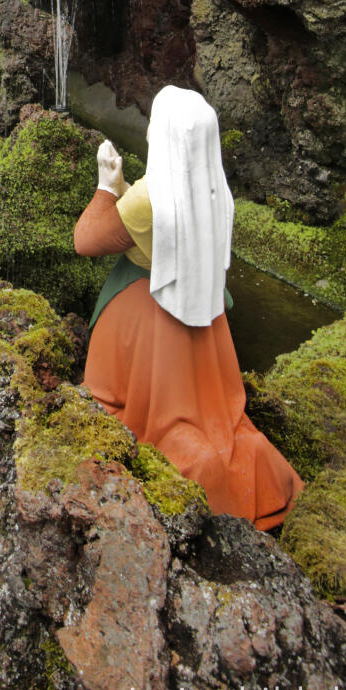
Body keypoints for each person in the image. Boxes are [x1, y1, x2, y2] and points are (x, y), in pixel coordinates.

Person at [73, 85, 303, 530]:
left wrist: (106, 187)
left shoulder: (150, 199)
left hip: (150, 332)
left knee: (145, 419)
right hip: (204, 321)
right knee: (215, 417)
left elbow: (87, 239)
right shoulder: (214, 190)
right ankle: (242, 468)